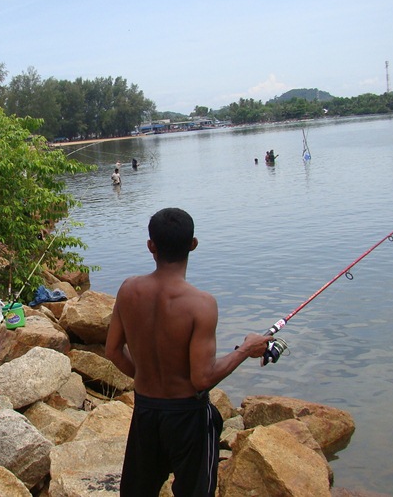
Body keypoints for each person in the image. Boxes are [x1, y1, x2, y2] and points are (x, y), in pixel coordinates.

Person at [106, 208, 273, 496]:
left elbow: (113, 351)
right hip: (188, 417)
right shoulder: (201, 304)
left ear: (151, 246)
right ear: (193, 244)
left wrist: (145, 375)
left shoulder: (128, 290)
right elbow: (202, 379)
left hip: (146, 411)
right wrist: (246, 349)